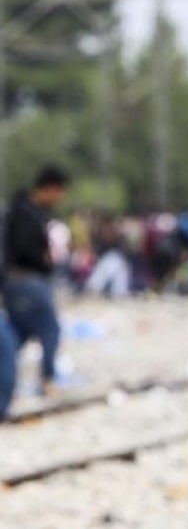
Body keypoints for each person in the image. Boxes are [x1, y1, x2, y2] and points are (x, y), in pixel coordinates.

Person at [4, 166, 69, 396]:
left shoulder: (26, 210)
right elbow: (22, 250)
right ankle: (47, 381)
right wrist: (45, 260)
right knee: (50, 329)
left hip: (16, 282)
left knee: (16, 335)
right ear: (50, 188)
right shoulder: (25, 213)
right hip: (26, 280)